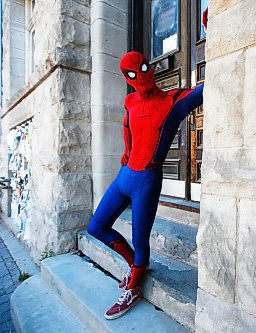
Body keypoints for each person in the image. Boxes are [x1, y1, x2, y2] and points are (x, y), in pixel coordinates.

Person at [86, 49, 204, 319]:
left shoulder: (172, 101)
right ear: (126, 78)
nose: (139, 77)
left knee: (141, 241)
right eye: (131, 74)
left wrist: (217, 33)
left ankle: (134, 288)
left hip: (146, 180)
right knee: (96, 226)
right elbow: (127, 127)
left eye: (141, 68)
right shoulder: (130, 100)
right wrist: (126, 150)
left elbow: (205, 88)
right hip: (125, 175)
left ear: (149, 67)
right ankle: (135, 266)